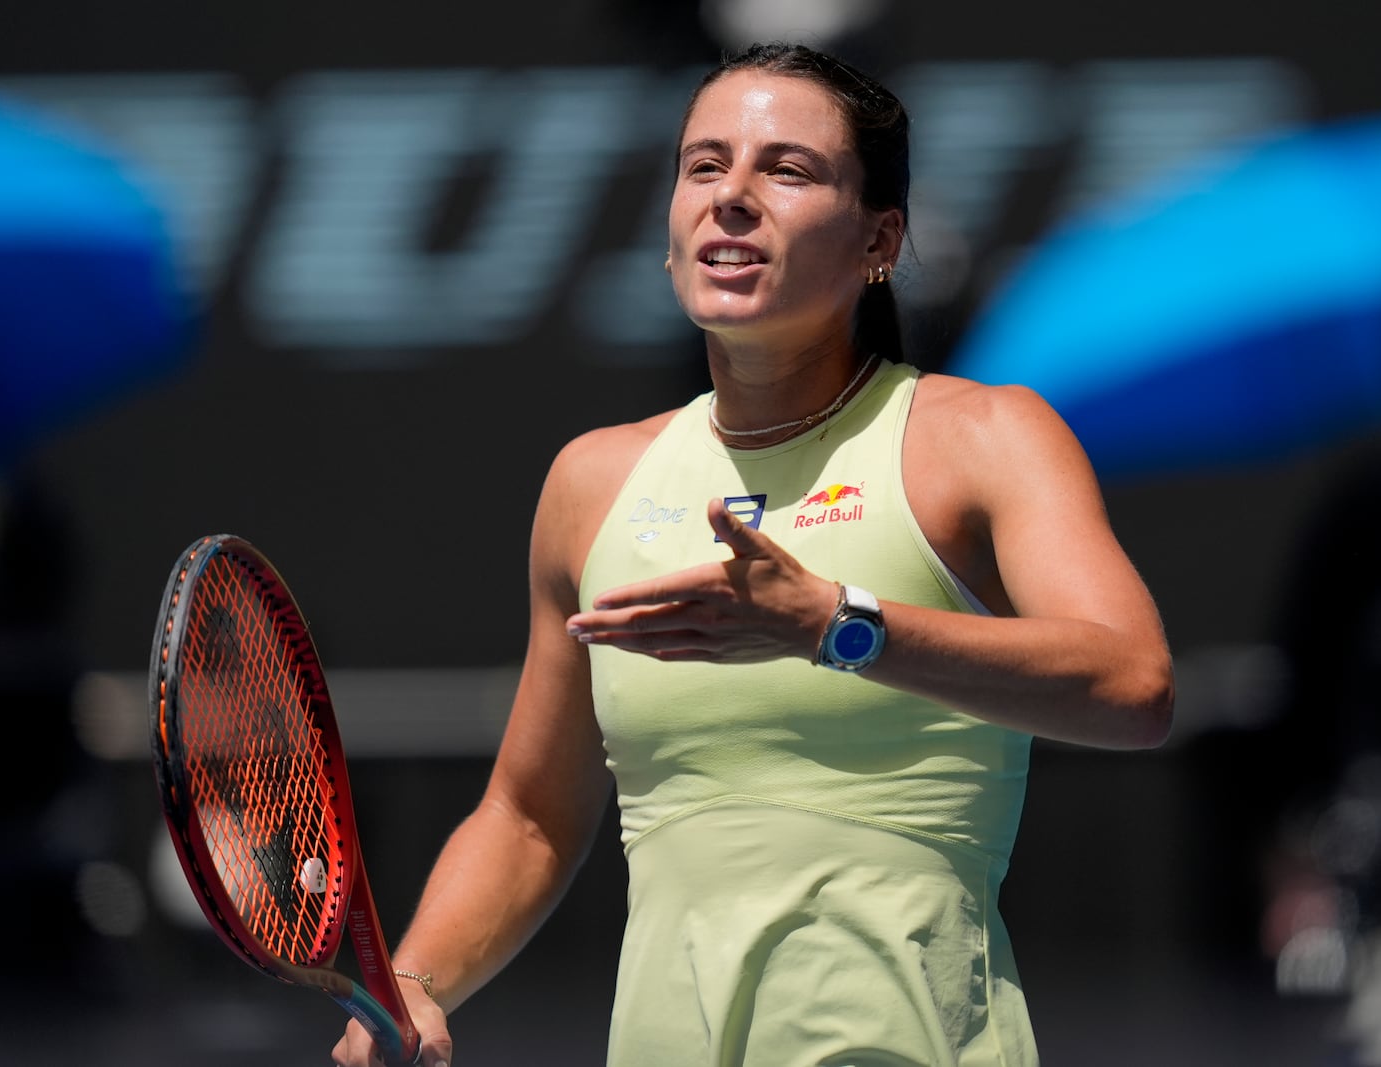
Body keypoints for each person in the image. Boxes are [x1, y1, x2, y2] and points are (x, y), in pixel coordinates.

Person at [333, 41, 1174, 1067]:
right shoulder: (593, 482)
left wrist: (832, 623)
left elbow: (1133, 683)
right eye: (703, 164)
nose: (731, 195)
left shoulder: (980, 437)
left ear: (879, 237)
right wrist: (416, 980)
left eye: (786, 168)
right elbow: (530, 814)